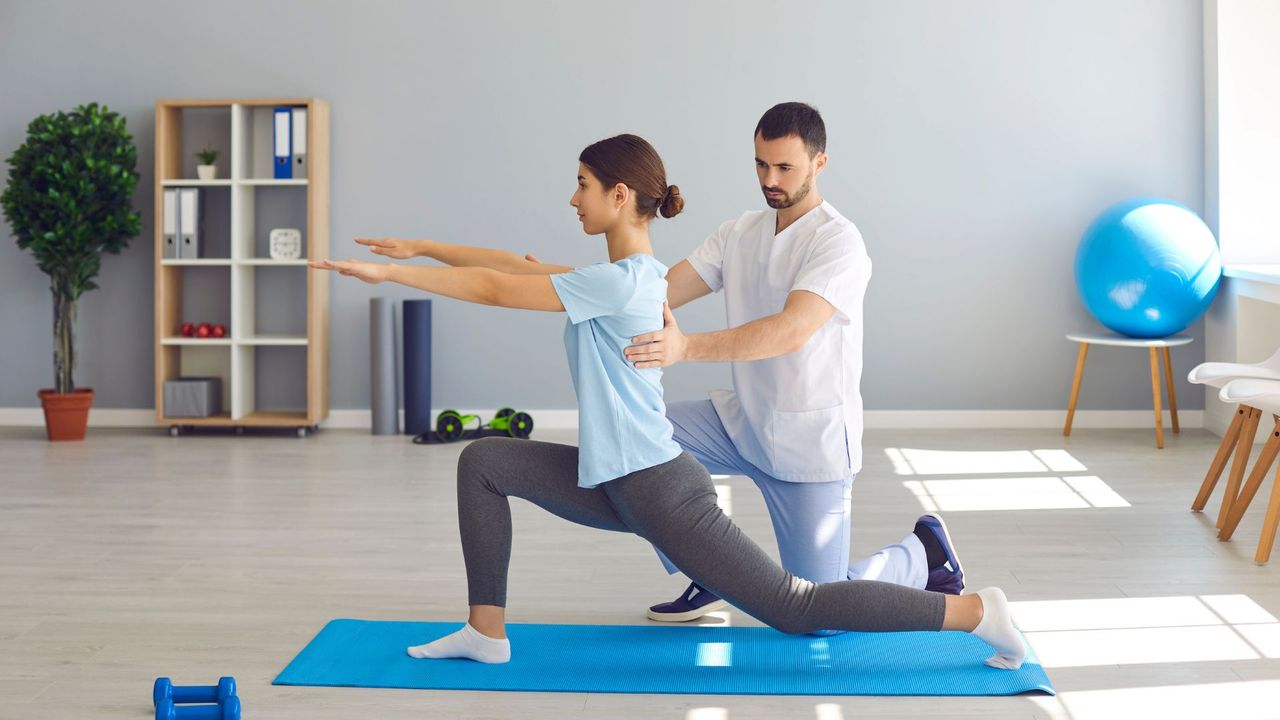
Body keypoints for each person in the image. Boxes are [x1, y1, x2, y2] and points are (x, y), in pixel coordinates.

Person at [310, 133, 1025, 671]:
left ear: (620, 194)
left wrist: (386, 276)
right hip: (618, 481)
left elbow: (501, 289)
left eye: (582, 185)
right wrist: (420, 248)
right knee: (485, 462)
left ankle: (974, 611)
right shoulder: (622, 277)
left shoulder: (621, 283)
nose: (573, 198)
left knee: (799, 607)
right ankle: (485, 631)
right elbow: (514, 268)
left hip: (658, 490)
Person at [614, 102, 961, 623]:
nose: (769, 179)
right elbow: (653, 293)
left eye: (784, 167)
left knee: (817, 614)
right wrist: (562, 285)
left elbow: (790, 330)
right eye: (760, 164)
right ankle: (711, 568)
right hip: (741, 422)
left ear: (819, 163)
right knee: (633, 438)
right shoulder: (738, 232)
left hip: (810, 445)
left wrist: (686, 348)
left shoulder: (839, 241)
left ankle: (922, 556)